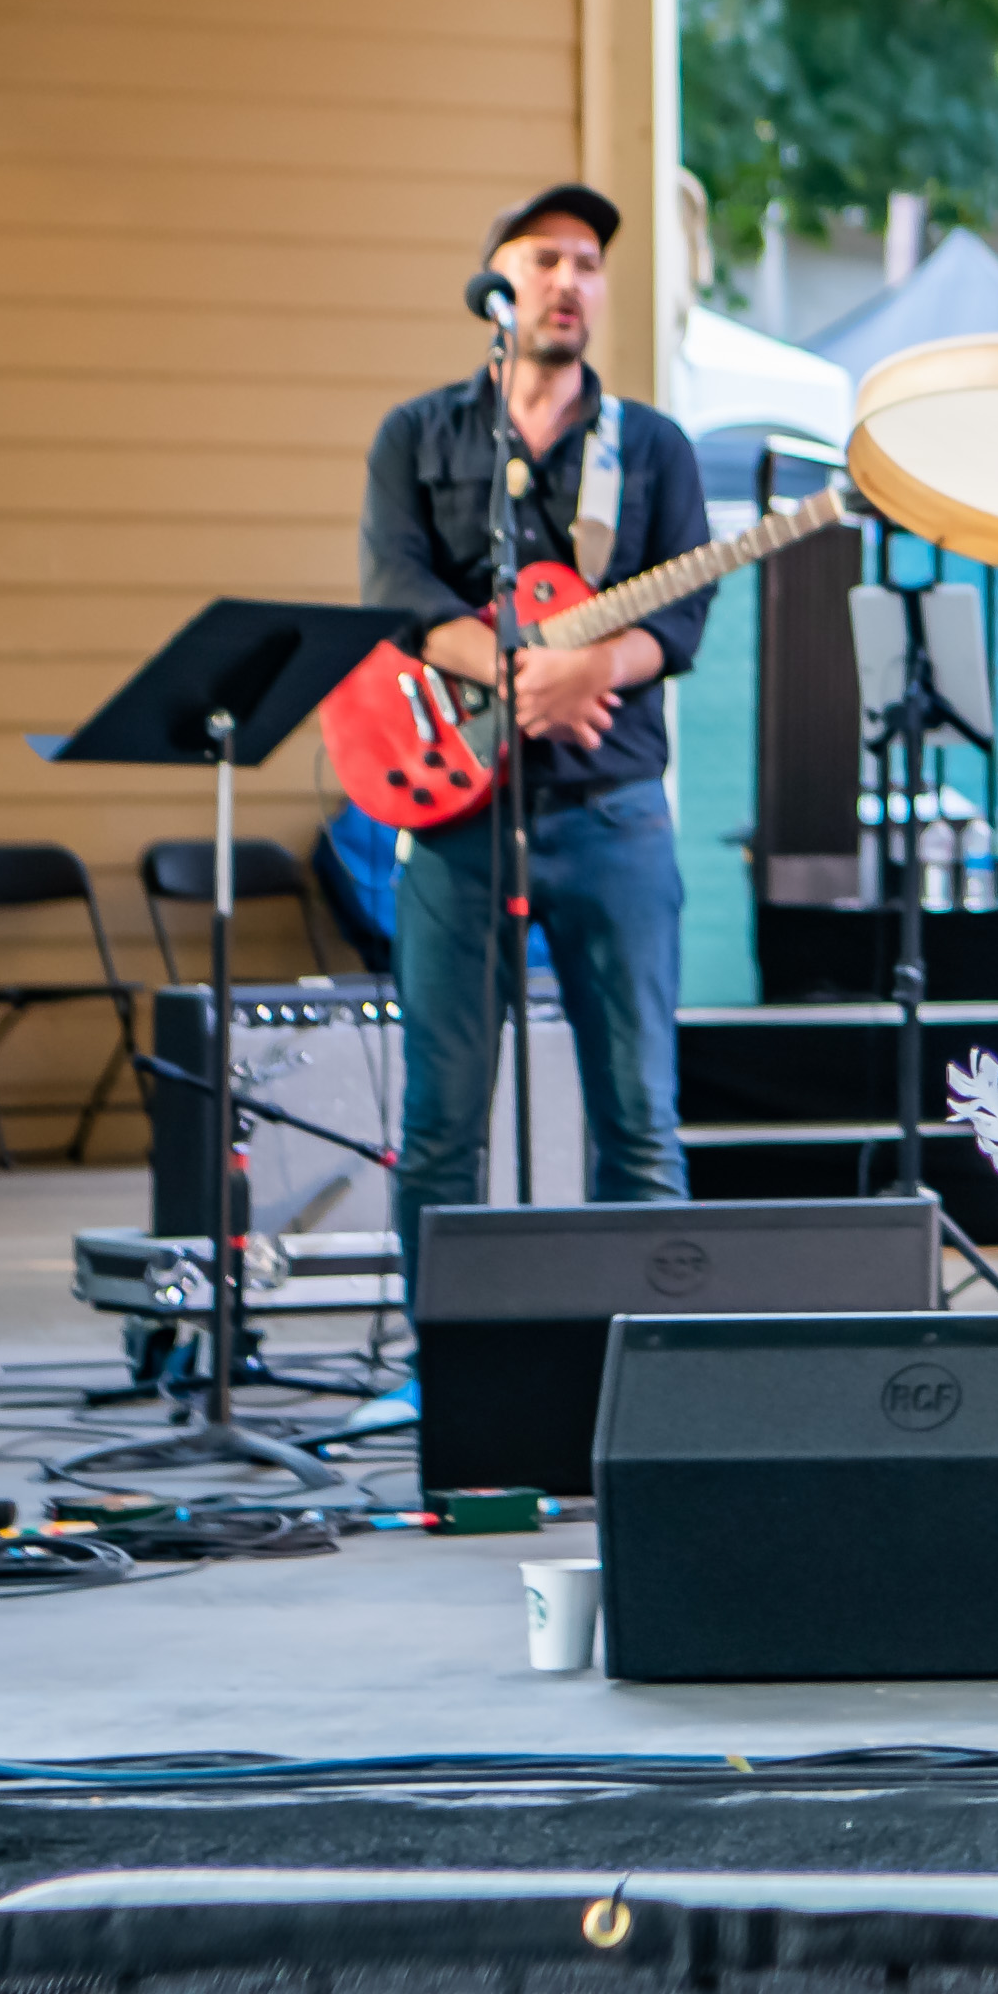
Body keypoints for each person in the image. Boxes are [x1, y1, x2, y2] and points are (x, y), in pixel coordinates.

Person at [358, 184, 706, 1283]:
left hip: (615, 813)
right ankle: (441, 1377)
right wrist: (517, 675)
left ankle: (646, 1363)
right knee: (440, 1123)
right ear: (497, 283)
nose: (570, 280)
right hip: (459, 815)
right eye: (546, 258)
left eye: (589, 263)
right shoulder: (418, 433)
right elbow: (393, 586)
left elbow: (684, 617)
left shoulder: (649, 447)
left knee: (641, 1119)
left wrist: (594, 668)